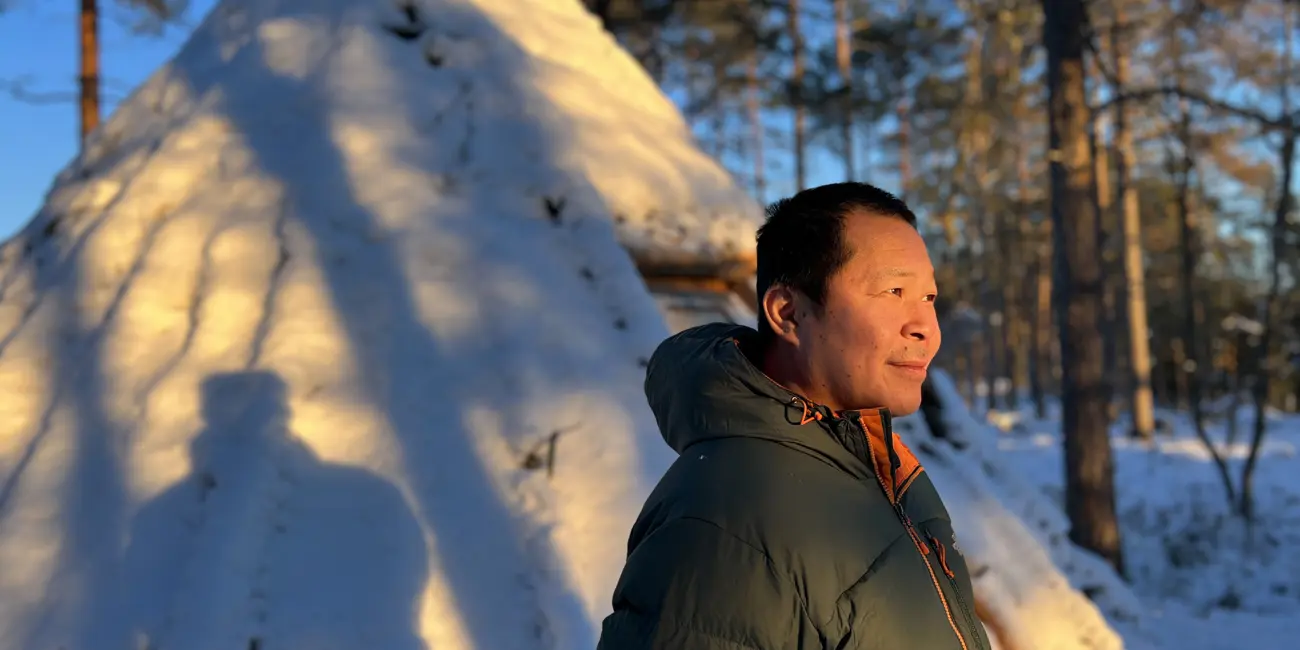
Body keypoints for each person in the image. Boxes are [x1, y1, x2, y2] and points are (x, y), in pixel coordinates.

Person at [596, 182, 992, 650]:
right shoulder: (724, 526)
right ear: (788, 313)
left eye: (927, 297)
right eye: (893, 290)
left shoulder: (876, 470)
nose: (925, 327)